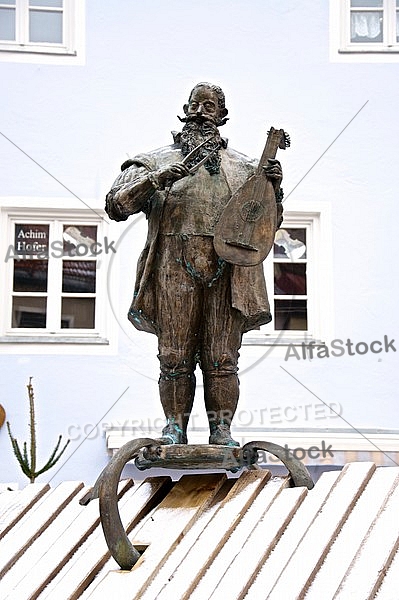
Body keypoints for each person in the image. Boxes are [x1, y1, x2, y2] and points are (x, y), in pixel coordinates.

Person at [105, 82, 283, 446]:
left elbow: (264, 226)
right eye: (195, 105)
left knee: (222, 358)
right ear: (184, 110)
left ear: (223, 116)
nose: (202, 111)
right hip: (173, 265)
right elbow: (115, 205)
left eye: (211, 106)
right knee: (174, 355)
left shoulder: (247, 168)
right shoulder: (152, 160)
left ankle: (221, 430)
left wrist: (272, 191)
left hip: (228, 269)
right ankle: (174, 428)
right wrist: (156, 180)